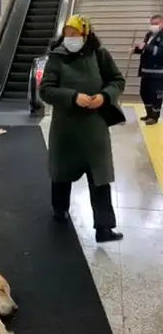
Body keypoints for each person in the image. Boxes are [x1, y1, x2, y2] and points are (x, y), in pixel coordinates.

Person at [38, 14, 125, 243]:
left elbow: (117, 81)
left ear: (86, 34)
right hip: (65, 129)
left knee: (100, 178)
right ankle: (60, 211)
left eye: (75, 34)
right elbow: (45, 90)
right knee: (61, 173)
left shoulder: (100, 54)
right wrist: (73, 97)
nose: (70, 38)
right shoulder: (56, 57)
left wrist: (105, 96)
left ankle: (104, 228)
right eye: (67, 33)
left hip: (94, 129)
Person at [132, 14, 163, 124]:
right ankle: (149, 114)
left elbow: (160, 52)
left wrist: (146, 46)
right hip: (146, 70)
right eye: (151, 24)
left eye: (155, 24)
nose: (153, 26)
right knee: (144, 93)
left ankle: (154, 117)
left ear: (162, 23)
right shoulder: (149, 34)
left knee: (156, 95)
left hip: (158, 72)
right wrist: (137, 50)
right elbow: (146, 49)